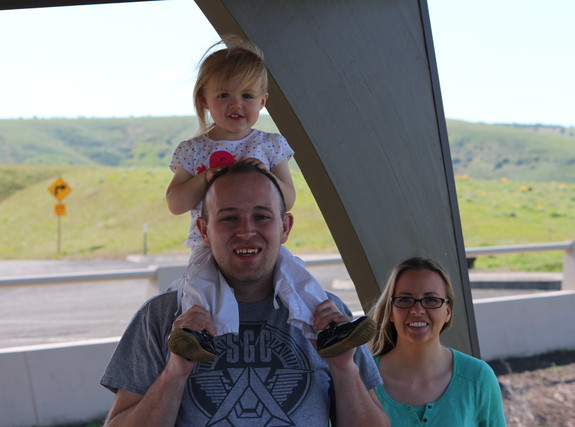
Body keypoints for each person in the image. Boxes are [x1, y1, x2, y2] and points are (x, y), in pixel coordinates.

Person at [101, 162, 388, 426]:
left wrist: (344, 369)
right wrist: (175, 371)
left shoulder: (325, 314)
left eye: (262, 216)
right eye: (228, 219)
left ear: (285, 227)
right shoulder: (161, 317)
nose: (246, 230)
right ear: (203, 230)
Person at [165, 34, 373, 361]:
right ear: (204, 99)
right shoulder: (193, 150)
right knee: (199, 283)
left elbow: (287, 199)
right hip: (210, 244)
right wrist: (206, 178)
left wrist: (267, 175)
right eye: (224, 95)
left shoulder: (271, 145)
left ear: (263, 101)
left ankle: (328, 324)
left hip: (264, 243)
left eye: (247, 95)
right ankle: (195, 333)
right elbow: (176, 203)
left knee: (296, 274)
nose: (236, 104)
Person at [369, 257, 506, 426]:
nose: (417, 310)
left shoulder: (477, 377)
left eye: (431, 300)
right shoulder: (362, 382)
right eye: (405, 300)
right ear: (390, 311)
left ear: (447, 312)